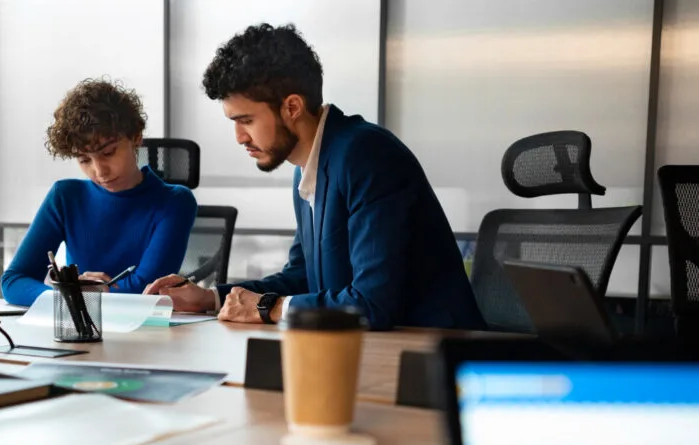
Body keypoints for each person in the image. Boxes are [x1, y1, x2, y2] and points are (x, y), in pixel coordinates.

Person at [144, 24, 484, 331]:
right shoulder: (309, 169)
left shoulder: (365, 155)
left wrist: (269, 308)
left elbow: (373, 303)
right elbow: (303, 277)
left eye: (246, 120)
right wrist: (210, 299)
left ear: (292, 107)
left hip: (434, 353)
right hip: (375, 349)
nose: (239, 137)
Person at [2, 78, 197, 306]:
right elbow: (13, 281)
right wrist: (68, 297)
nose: (99, 171)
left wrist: (79, 294)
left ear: (136, 136)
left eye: (109, 152)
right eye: (84, 159)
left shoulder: (175, 202)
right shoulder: (65, 196)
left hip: (145, 332)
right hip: (80, 330)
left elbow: (146, 290)